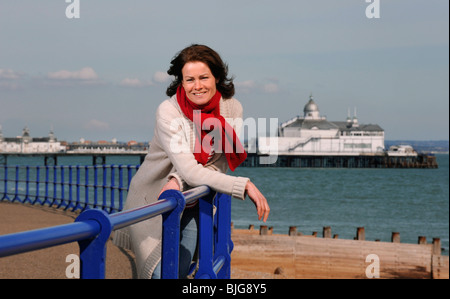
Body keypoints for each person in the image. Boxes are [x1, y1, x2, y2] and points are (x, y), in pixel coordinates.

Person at [113, 44, 270, 279]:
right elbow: (188, 168)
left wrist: (178, 180)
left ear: (217, 77)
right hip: (155, 199)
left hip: (194, 199)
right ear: (181, 82)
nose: (197, 86)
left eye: (204, 77)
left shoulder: (231, 108)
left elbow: (217, 163)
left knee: (179, 270)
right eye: (189, 80)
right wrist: (243, 185)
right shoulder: (169, 111)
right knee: (158, 273)